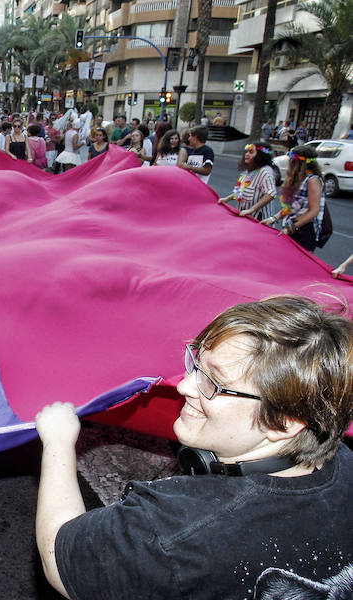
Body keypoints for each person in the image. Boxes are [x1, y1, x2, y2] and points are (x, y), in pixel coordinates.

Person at [35, 295, 353, 600]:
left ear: (283, 423)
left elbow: (56, 556)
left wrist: (58, 441)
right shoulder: (345, 462)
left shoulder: (174, 529)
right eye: (196, 362)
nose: (186, 386)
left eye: (213, 382)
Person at [261, 144, 325, 251]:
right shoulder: (299, 179)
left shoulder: (313, 180)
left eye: (291, 160)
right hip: (292, 226)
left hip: (304, 229)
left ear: (298, 163)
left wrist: (292, 228)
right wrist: (273, 218)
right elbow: (290, 206)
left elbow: (314, 210)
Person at [218, 142, 280, 221]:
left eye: (251, 152)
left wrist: (252, 209)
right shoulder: (251, 171)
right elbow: (241, 192)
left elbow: (271, 194)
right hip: (244, 218)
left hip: (257, 220)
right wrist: (226, 199)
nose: (246, 154)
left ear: (260, 155)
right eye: (247, 152)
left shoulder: (265, 171)